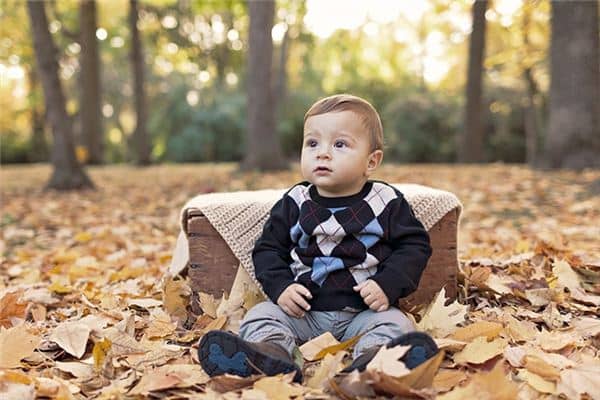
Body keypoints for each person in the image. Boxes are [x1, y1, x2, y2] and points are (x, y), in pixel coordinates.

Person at [198, 94, 438, 382]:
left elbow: (414, 245)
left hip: (364, 312)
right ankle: (272, 355)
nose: (322, 153)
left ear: (371, 161)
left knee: (395, 323)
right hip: (304, 313)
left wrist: (387, 284)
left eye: (340, 144)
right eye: (312, 143)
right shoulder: (295, 201)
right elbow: (267, 249)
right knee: (261, 315)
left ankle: (373, 360)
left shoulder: (385, 201)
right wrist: (282, 287)